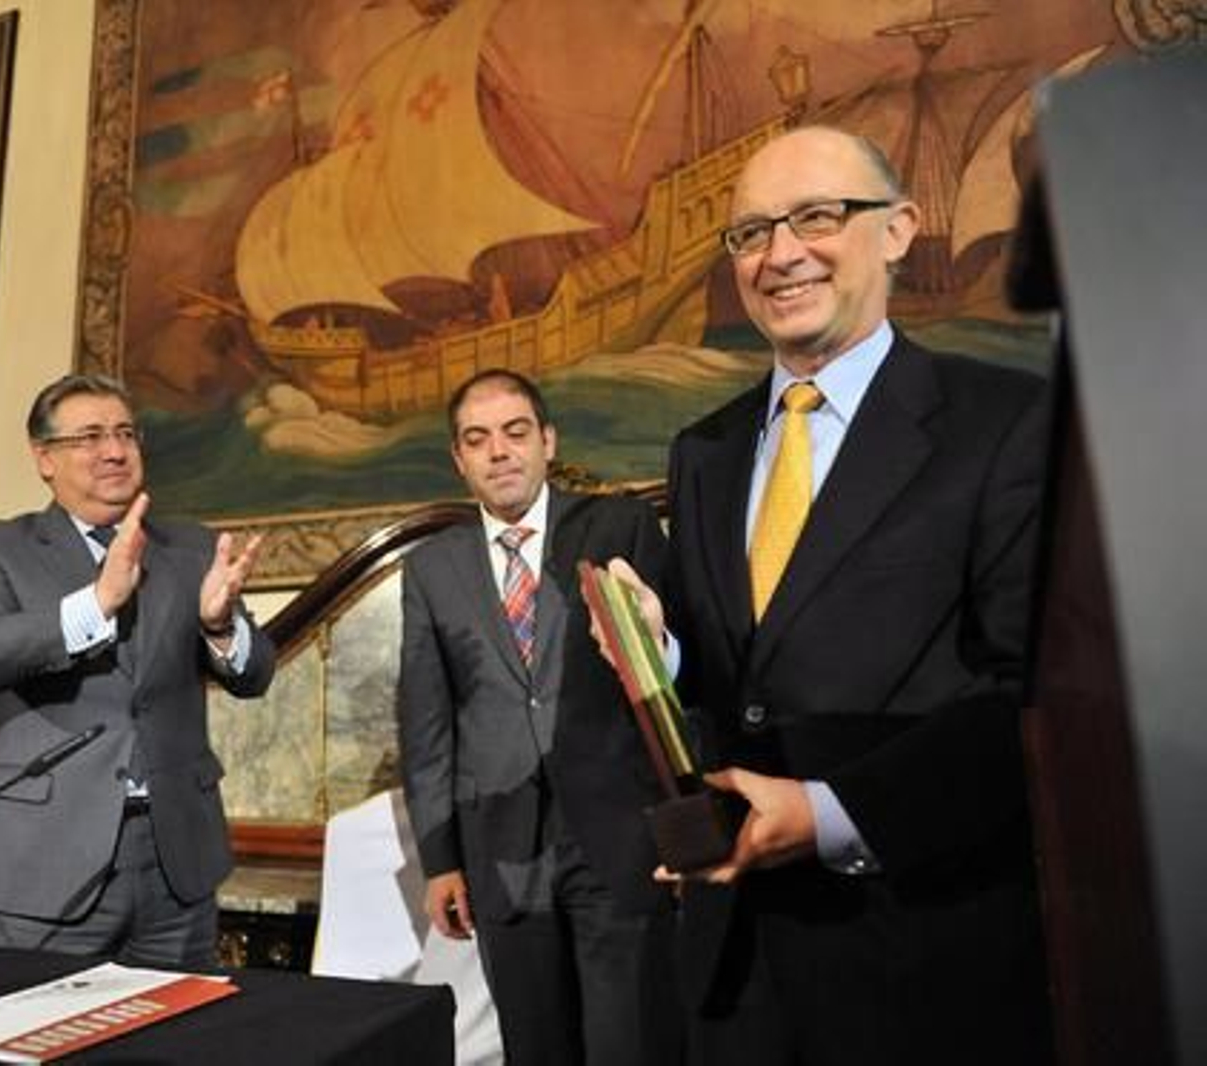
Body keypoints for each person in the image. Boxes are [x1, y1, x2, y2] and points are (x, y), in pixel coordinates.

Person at [607, 126, 1054, 1065]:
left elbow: (1034, 703)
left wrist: (829, 810)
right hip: (736, 967)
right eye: (750, 233)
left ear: (897, 231)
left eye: (815, 217)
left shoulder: (1007, 422)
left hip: (920, 959)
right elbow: (740, 674)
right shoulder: (705, 452)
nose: (779, 255)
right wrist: (665, 651)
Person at [397, 369, 683, 1066]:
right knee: (535, 1049)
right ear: (459, 459)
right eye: (478, 439)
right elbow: (427, 725)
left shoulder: (620, 527)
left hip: (620, 841)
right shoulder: (432, 569)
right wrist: (440, 863)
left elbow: (682, 677)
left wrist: (687, 819)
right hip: (501, 853)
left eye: (516, 432)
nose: (499, 452)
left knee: (630, 1046)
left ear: (548, 442)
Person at [0, 373, 275, 968]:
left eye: (125, 433)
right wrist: (95, 604)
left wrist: (220, 627)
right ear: (44, 458)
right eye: (91, 436)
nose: (115, 450)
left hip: (176, 858)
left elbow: (254, 677)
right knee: (40, 1038)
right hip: (47, 859)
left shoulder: (191, 547)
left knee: (176, 1040)